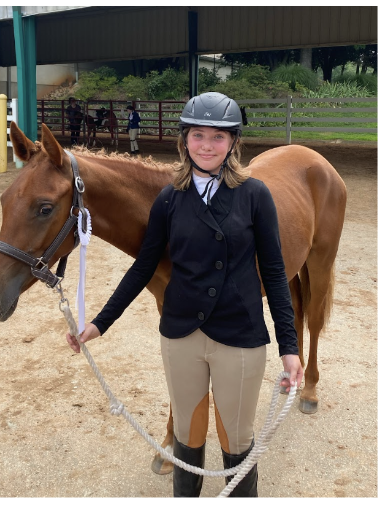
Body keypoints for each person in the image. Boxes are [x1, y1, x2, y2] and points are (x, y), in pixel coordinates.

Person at [66, 92, 304, 497]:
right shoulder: (169, 199)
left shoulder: (255, 196)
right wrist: (99, 324)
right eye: (198, 135)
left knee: (238, 441)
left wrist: (289, 346)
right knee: (186, 437)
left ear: (233, 143)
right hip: (181, 337)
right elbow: (143, 267)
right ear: (185, 140)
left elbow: (277, 274)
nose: (207, 145)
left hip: (239, 335)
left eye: (218, 137)